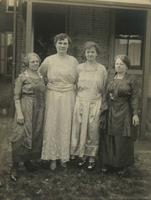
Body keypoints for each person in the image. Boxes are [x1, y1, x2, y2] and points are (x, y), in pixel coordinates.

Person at [39, 33, 78, 170]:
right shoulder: (49, 60)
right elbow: (40, 75)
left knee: (66, 125)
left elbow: (78, 79)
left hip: (68, 96)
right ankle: (52, 158)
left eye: (65, 43)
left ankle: (64, 157)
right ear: (55, 45)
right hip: (53, 95)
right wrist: (46, 87)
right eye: (60, 43)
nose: (62, 46)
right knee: (52, 125)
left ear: (68, 45)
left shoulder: (73, 61)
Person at [70, 41, 107, 170]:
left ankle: (91, 157)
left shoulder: (102, 69)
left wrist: (101, 104)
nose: (90, 54)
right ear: (84, 53)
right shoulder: (79, 68)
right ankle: (82, 156)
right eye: (88, 51)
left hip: (95, 102)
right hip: (80, 101)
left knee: (93, 130)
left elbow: (104, 88)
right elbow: (74, 85)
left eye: (92, 51)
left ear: (97, 54)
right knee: (80, 130)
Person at [10, 53, 45, 181]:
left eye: (37, 61)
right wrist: (19, 113)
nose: (35, 64)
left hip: (38, 109)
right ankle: (14, 166)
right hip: (25, 108)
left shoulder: (41, 76)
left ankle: (27, 161)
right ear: (27, 64)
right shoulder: (22, 77)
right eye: (33, 62)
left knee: (34, 135)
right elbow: (16, 97)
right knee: (20, 135)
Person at [102, 54, 139, 175]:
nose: (119, 66)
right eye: (117, 64)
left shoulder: (131, 79)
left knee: (122, 138)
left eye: (121, 64)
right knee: (110, 136)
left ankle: (121, 165)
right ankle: (109, 163)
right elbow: (105, 94)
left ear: (127, 66)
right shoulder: (111, 78)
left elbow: (134, 98)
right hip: (111, 111)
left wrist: (135, 114)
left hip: (124, 112)